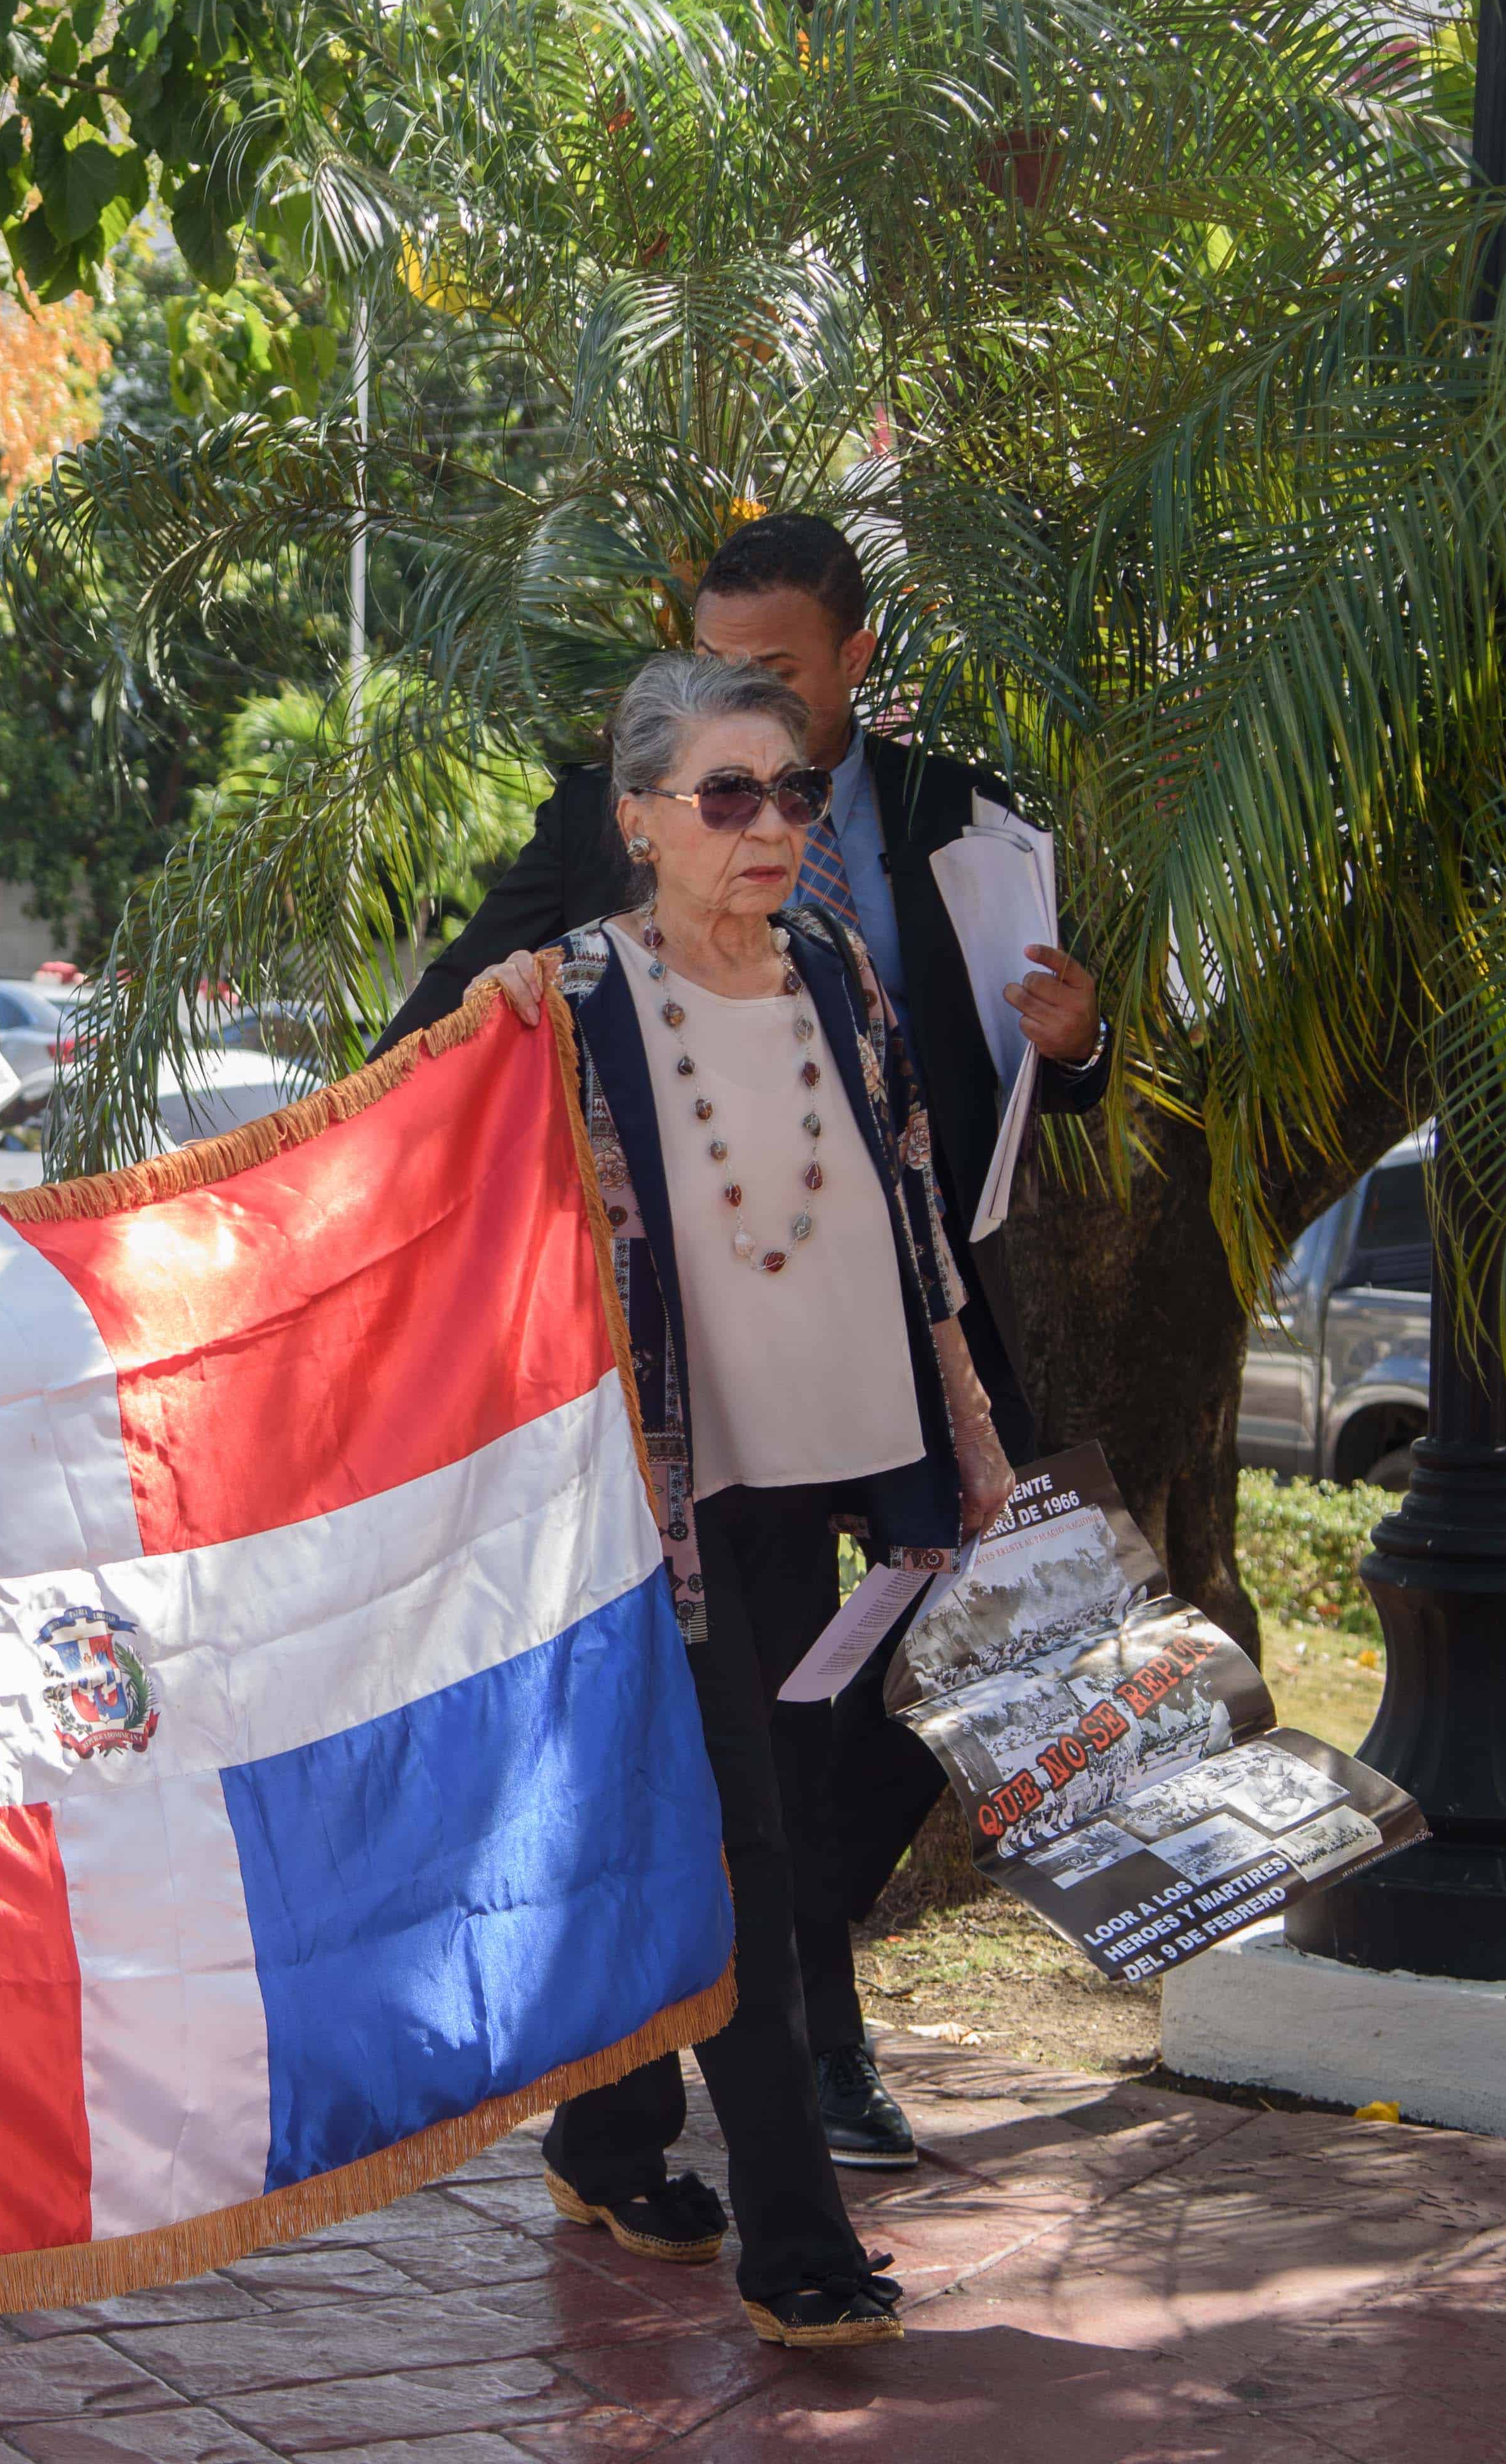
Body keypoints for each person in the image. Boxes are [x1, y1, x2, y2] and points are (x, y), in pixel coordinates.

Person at [373, 512, 1107, 2169]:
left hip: (924, 1320)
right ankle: (784, 2062)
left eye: (773, 678)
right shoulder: (611, 816)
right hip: (691, 1352)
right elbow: (447, 1017)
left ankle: (731, 2009)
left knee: (956, 1663)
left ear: (855, 657)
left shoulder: (955, 819)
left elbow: (1016, 1056)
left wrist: (1081, 1051)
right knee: (741, 1707)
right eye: (716, 678)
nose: (746, 725)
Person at [477, 650, 1012, 2352]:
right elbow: (427, 1175)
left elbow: (921, 1215)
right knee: (752, 1851)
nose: (770, 823)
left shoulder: (842, 978)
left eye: (790, 792)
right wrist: (475, 1041)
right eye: (726, 795)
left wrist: (979, 1434)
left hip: (831, 1480)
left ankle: (607, 2133)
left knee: (732, 1817)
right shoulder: (563, 1000)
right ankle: (798, 2239)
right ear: (642, 821)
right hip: (664, 1501)